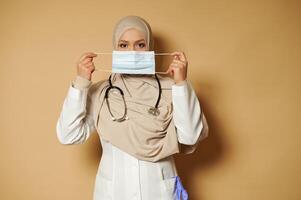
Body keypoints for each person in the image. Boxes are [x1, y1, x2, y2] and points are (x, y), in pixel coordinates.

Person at [56, 15, 209, 200]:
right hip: (114, 192)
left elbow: (190, 136)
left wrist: (181, 84)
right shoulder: (101, 93)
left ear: (150, 47)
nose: (133, 51)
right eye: (124, 45)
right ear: (115, 48)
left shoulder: (172, 89)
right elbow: (68, 135)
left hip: (159, 192)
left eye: (140, 45)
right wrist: (81, 82)